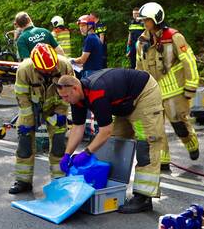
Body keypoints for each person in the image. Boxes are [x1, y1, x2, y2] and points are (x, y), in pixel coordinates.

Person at [56, 68, 164, 213]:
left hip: (143, 95)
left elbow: (105, 131)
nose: (65, 100)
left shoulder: (97, 93)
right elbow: (77, 128)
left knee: (146, 144)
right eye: (62, 97)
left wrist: (87, 152)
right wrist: (67, 154)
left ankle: (144, 197)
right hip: (124, 102)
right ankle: (113, 189)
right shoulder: (77, 99)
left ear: (75, 88)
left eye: (66, 96)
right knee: (116, 143)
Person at [135, 2, 200, 169]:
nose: (144, 23)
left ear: (156, 19)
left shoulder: (174, 37)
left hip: (175, 91)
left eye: (147, 20)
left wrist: (191, 86)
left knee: (179, 124)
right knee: (156, 129)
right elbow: (139, 68)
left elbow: (189, 61)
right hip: (153, 92)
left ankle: (191, 143)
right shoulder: (141, 42)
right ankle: (162, 161)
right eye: (143, 20)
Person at [9, 43, 75, 194]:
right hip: (31, 109)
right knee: (24, 144)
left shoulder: (64, 66)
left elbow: (70, 92)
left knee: (59, 144)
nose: (49, 72)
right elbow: (22, 96)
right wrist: (28, 121)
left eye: (51, 69)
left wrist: (61, 112)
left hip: (56, 108)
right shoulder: (24, 69)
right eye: (45, 71)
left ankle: (59, 181)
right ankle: (23, 181)